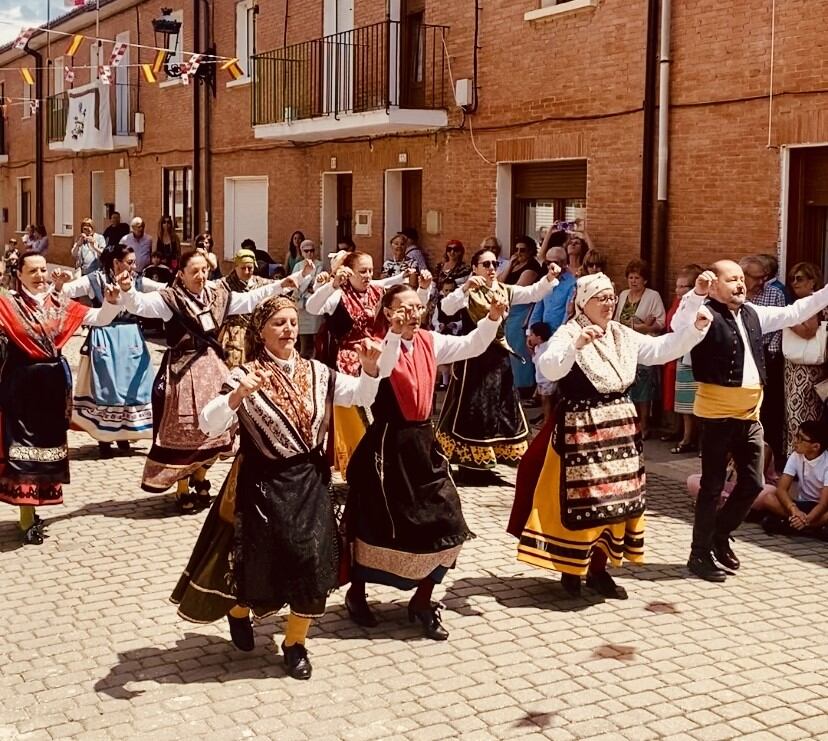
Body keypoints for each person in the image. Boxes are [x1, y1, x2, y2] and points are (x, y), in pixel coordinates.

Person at [171, 297, 389, 680]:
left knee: (311, 562)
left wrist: (371, 370)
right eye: (278, 323)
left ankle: (294, 644)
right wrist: (237, 396)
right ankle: (240, 611)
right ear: (261, 331)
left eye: (292, 322)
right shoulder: (244, 374)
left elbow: (359, 397)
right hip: (264, 484)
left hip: (310, 481)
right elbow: (209, 423)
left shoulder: (318, 373)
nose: (289, 329)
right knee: (263, 566)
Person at [511, 273, 712, 598]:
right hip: (581, 428)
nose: (608, 303)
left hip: (619, 429)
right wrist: (576, 346)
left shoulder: (622, 333)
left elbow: (661, 349)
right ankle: (570, 567)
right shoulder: (568, 332)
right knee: (582, 500)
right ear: (583, 302)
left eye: (610, 297)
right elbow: (548, 368)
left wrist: (695, 328)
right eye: (600, 298)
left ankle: (599, 569)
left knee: (617, 501)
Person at [343, 285, 508, 639]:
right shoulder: (375, 346)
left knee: (448, 519)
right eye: (404, 308)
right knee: (375, 522)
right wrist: (393, 333)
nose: (413, 314)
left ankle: (423, 599)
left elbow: (472, 345)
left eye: (417, 307)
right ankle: (357, 593)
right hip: (388, 445)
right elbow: (384, 368)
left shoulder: (431, 341)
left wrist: (492, 318)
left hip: (423, 442)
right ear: (387, 313)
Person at [671, 261, 828, 581]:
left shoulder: (755, 313)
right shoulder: (704, 314)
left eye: (742, 279)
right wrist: (696, 294)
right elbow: (679, 325)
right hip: (716, 416)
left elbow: (797, 312)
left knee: (754, 483)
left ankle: (720, 533)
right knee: (712, 486)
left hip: (749, 416)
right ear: (714, 285)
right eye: (732, 280)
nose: (740, 285)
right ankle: (698, 554)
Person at [115, 250, 296, 511]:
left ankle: (201, 477)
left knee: (222, 427)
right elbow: (139, 305)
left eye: (204, 271)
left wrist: (280, 285)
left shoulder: (217, 296)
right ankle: (182, 487)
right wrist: (127, 290)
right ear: (181, 274)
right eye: (194, 272)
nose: (201, 276)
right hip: (184, 371)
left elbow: (249, 300)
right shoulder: (169, 299)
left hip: (214, 369)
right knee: (188, 431)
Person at [0, 251, 122, 544]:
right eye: (33, 271)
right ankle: (26, 518)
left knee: (47, 447)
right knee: (22, 450)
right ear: (20, 276)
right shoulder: (6, 304)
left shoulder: (60, 304)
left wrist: (113, 301)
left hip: (52, 386)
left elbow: (100, 318)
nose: (41, 276)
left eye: (43, 270)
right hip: (20, 385)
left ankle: (35, 510)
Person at [435, 248, 561, 474]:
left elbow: (532, 292)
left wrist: (549, 278)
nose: (491, 268)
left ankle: (494, 452)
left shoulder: (505, 290)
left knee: (500, 403)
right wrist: (464, 288)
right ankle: (469, 458)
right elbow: (446, 308)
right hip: (473, 356)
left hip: (498, 358)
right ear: (475, 268)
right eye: (486, 264)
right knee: (472, 405)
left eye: (494, 264)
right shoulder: (468, 293)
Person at [305, 251, 426, 475]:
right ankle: (359, 464)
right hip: (351, 358)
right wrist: (331, 284)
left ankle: (387, 459)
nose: (368, 275)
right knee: (357, 413)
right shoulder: (339, 294)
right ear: (349, 273)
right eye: (362, 271)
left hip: (379, 354)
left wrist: (407, 277)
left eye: (370, 270)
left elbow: (388, 282)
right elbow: (312, 307)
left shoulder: (376, 291)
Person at [58, 244, 164, 458]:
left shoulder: (138, 281)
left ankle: (125, 433)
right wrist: (60, 284)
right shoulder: (95, 280)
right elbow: (67, 290)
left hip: (132, 337)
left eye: (135, 262)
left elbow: (165, 288)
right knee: (107, 387)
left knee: (133, 387)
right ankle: (104, 437)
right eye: (130, 262)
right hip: (104, 337)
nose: (134, 266)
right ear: (116, 262)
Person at [742, 254, 787, 472]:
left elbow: (779, 328)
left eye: (764, 277)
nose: (761, 282)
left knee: (769, 411)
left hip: (766, 358)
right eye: (757, 278)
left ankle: (770, 461)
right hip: (742, 359)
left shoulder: (774, 294)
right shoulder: (735, 296)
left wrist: (770, 355)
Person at [614, 259, 665, 440]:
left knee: (644, 389)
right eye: (630, 277)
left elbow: (660, 323)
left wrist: (645, 327)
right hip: (624, 347)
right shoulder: (623, 295)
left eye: (637, 278)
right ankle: (630, 422)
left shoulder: (653, 296)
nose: (633, 281)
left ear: (645, 280)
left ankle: (644, 424)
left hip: (644, 347)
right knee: (628, 387)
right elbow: (618, 320)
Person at [781, 262, 828, 456]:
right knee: (794, 411)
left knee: (798, 412)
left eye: (799, 278)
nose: (794, 283)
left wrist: (786, 319)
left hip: (805, 368)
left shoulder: (810, 304)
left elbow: (808, 332)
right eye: (792, 279)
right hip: (794, 366)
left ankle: (802, 456)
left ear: (812, 281)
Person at [755, 422, 828, 535]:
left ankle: (799, 526)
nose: (795, 442)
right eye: (796, 436)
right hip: (802, 504)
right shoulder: (796, 456)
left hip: (821, 508)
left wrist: (807, 519)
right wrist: (794, 510)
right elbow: (781, 489)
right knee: (768, 499)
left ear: (816, 447)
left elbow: (823, 504)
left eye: (801, 439)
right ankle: (809, 528)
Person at [664, 265, 703, 453]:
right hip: (681, 355)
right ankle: (686, 437)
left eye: (683, 287)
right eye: (677, 287)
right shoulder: (677, 304)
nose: (678, 291)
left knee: (698, 403)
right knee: (684, 402)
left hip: (697, 358)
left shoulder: (700, 305)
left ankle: (700, 440)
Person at [500, 236, 542, 393]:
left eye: (522, 250)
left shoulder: (532, 267)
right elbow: (498, 282)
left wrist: (502, 289)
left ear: (531, 251)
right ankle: (512, 384)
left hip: (522, 311)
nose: (519, 253)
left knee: (519, 347)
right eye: (516, 250)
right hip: (508, 312)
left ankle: (524, 385)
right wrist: (510, 265)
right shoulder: (514, 265)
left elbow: (516, 290)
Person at [217, 249, 271, 369]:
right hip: (233, 338)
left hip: (257, 337)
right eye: (243, 268)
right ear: (235, 266)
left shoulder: (261, 284)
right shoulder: (224, 285)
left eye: (250, 268)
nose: (247, 271)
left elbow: (280, 287)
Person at [528, 245, 577, 343]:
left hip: (559, 337)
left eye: (554, 262)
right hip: (542, 336)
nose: (551, 266)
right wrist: (531, 334)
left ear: (563, 264)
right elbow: (538, 309)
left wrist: (559, 337)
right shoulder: (546, 281)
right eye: (548, 262)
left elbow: (568, 314)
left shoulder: (572, 283)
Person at [291, 239, 324, 359]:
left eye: (312, 250)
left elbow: (317, 285)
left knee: (316, 342)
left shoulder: (319, 265)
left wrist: (307, 286)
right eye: (306, 251)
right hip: (301, 308)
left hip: (314, 307)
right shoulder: (298, 266)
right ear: (301, 252)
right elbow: (294, 285)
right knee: (304, 344)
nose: (309, 253)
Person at [433, 277, 464, 389]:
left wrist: (456, 324)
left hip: (456, 334)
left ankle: (454, 381)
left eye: (451, 290)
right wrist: (438, 325)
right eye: (446, 290)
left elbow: (464, 320)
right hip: (444, 332)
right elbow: (434, 319)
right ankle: (444, 382)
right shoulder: (439, 304)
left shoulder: (461, 304)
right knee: (444, 358)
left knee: (454, 358)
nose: (448, 293)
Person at [528, 322, 555, 425]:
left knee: (546, 400)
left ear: (538, 338)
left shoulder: (547, 349)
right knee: (544, 400)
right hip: (541, 379)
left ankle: (547, 421)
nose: (529, 337)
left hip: (547, 379)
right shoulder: (538, 348)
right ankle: (545, 418)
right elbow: (535, 360)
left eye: (531, 335)